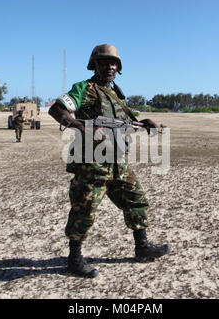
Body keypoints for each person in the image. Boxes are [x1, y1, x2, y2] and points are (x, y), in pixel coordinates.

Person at [48, 44, 170, 278]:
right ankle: (74, 260)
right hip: (92, 163)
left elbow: (126, 122)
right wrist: (81, 125)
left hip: (117, 161)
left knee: (137, 200)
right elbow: (57, 109)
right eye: (104, 62)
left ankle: (142, 247)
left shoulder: (116, 94)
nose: (110, 66)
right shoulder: (85, 89)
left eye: (114, 63)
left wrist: (144, 122)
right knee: (84, 209)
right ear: (94, 64)